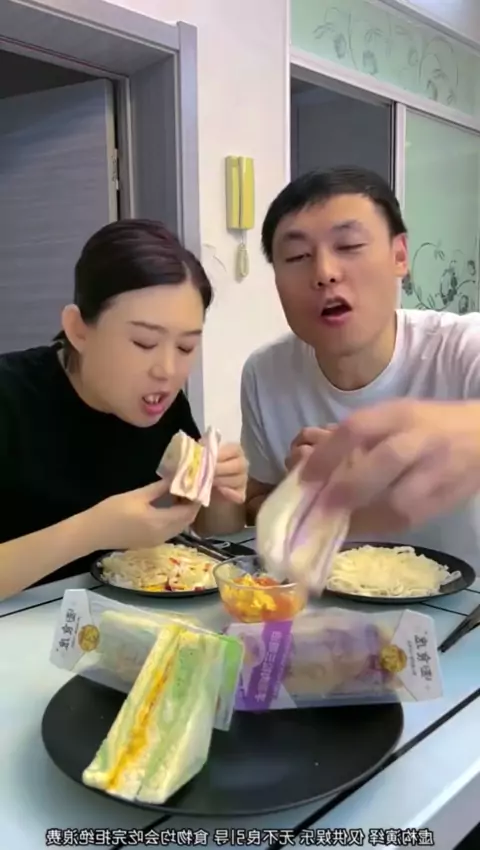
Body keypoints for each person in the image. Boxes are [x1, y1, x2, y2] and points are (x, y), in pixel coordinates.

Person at [241, 166, 480, 567]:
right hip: (326, 596)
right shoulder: (265, 374)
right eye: (297, 257)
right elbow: (255, 504)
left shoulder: (462, 349)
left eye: (349, 246)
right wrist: (298, 496)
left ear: (399, 255)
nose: (324, 273)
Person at [0, 219, 247, 600]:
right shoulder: (10, 396)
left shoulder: (161, 404)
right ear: (78, 329)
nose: (167, 371)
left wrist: (223, 493)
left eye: (185, 347)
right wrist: (89, 532)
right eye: (144, 342)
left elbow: (214, 533)